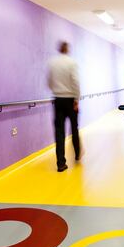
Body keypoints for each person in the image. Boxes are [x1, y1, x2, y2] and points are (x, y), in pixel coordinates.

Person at [47, 41, 81, 172]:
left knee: (59, 133)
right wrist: (76, 99)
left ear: (59, 49)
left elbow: (49, 82)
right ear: (67, 49)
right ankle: (77, 153)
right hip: (70, 100)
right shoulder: (72, 63)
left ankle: (61, 163)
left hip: (58, 99)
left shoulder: (52, 63)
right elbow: (75, 82)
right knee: (74, 128)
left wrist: (56, 90)